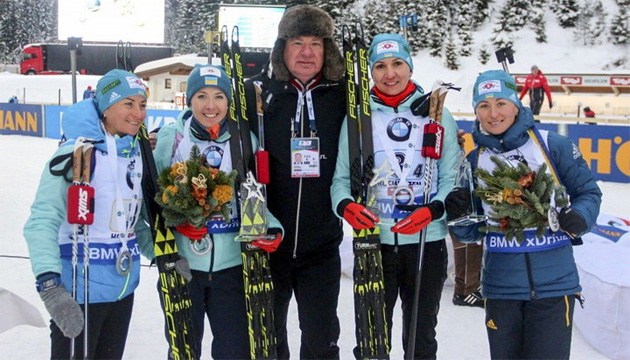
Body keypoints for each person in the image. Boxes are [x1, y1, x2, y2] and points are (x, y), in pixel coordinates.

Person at [446, 69, 602, 359]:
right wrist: (458, 215)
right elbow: (471, 231)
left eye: (501, 103)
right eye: (483, 106)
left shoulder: (551, 145)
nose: (493, 114)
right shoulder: (474, 160)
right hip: (501, 289)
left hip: (554, 286)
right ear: (476, 112)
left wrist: (581, 217)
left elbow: (589, 193)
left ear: (515, 105)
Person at [331, 33, 459, 359]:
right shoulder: (358, 118)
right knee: (372, 336)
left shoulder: (436, 112)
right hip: (376, 241)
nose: (390, 74)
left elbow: (451, 180)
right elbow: (340, 182)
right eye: (381, 66)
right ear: (371, 71)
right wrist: (346, 206)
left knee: (421, 337)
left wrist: (432, 211)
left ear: (410, 66)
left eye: (398, 63)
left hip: (425, 243)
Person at [153, 64, 284, 359]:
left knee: (234, 351)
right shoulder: (172, 138)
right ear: (189, 100)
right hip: (185, 269)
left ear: (228, 101)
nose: (210, 106)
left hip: (232, 269)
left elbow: (254, 197)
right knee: (184, 351)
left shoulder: (243, 139)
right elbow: (154, 201)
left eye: (218, 97)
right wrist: (175, 226)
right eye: (201, 96)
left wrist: (273, 228)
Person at [23, 69, 155, 359]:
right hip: (79, 293)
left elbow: (134, 224)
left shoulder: (133, 154)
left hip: (122, 290)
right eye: (128, 104)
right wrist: (50, 288)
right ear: (106, 108)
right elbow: (42, 221)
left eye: (142, 105)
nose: (138, 113)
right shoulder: (75, 153)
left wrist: (163, 255)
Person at [243, 5, 346, 359]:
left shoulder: (343, 95)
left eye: (316, 43)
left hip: (321, 245)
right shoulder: (255, 93)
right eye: (298, 42)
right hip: (268, 243)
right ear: (281, 48)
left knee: (320, 341)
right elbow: (206, 118)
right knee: (267, 340)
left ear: (327, 50)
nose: (306, 53)